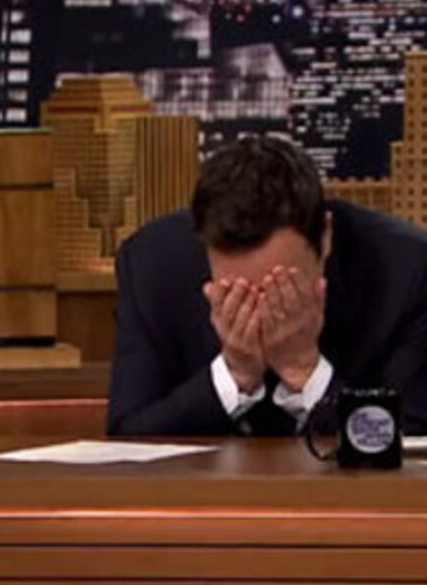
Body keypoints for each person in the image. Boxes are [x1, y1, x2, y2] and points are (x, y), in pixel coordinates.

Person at [108, 136, 427, 437]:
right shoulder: (151, 267)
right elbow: (129, 434)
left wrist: (304, 370)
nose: (262, 312)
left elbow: (414, 437)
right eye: (237, 294)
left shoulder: (406, 271)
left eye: (282, 287)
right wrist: (235, 374)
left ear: (325, 237)